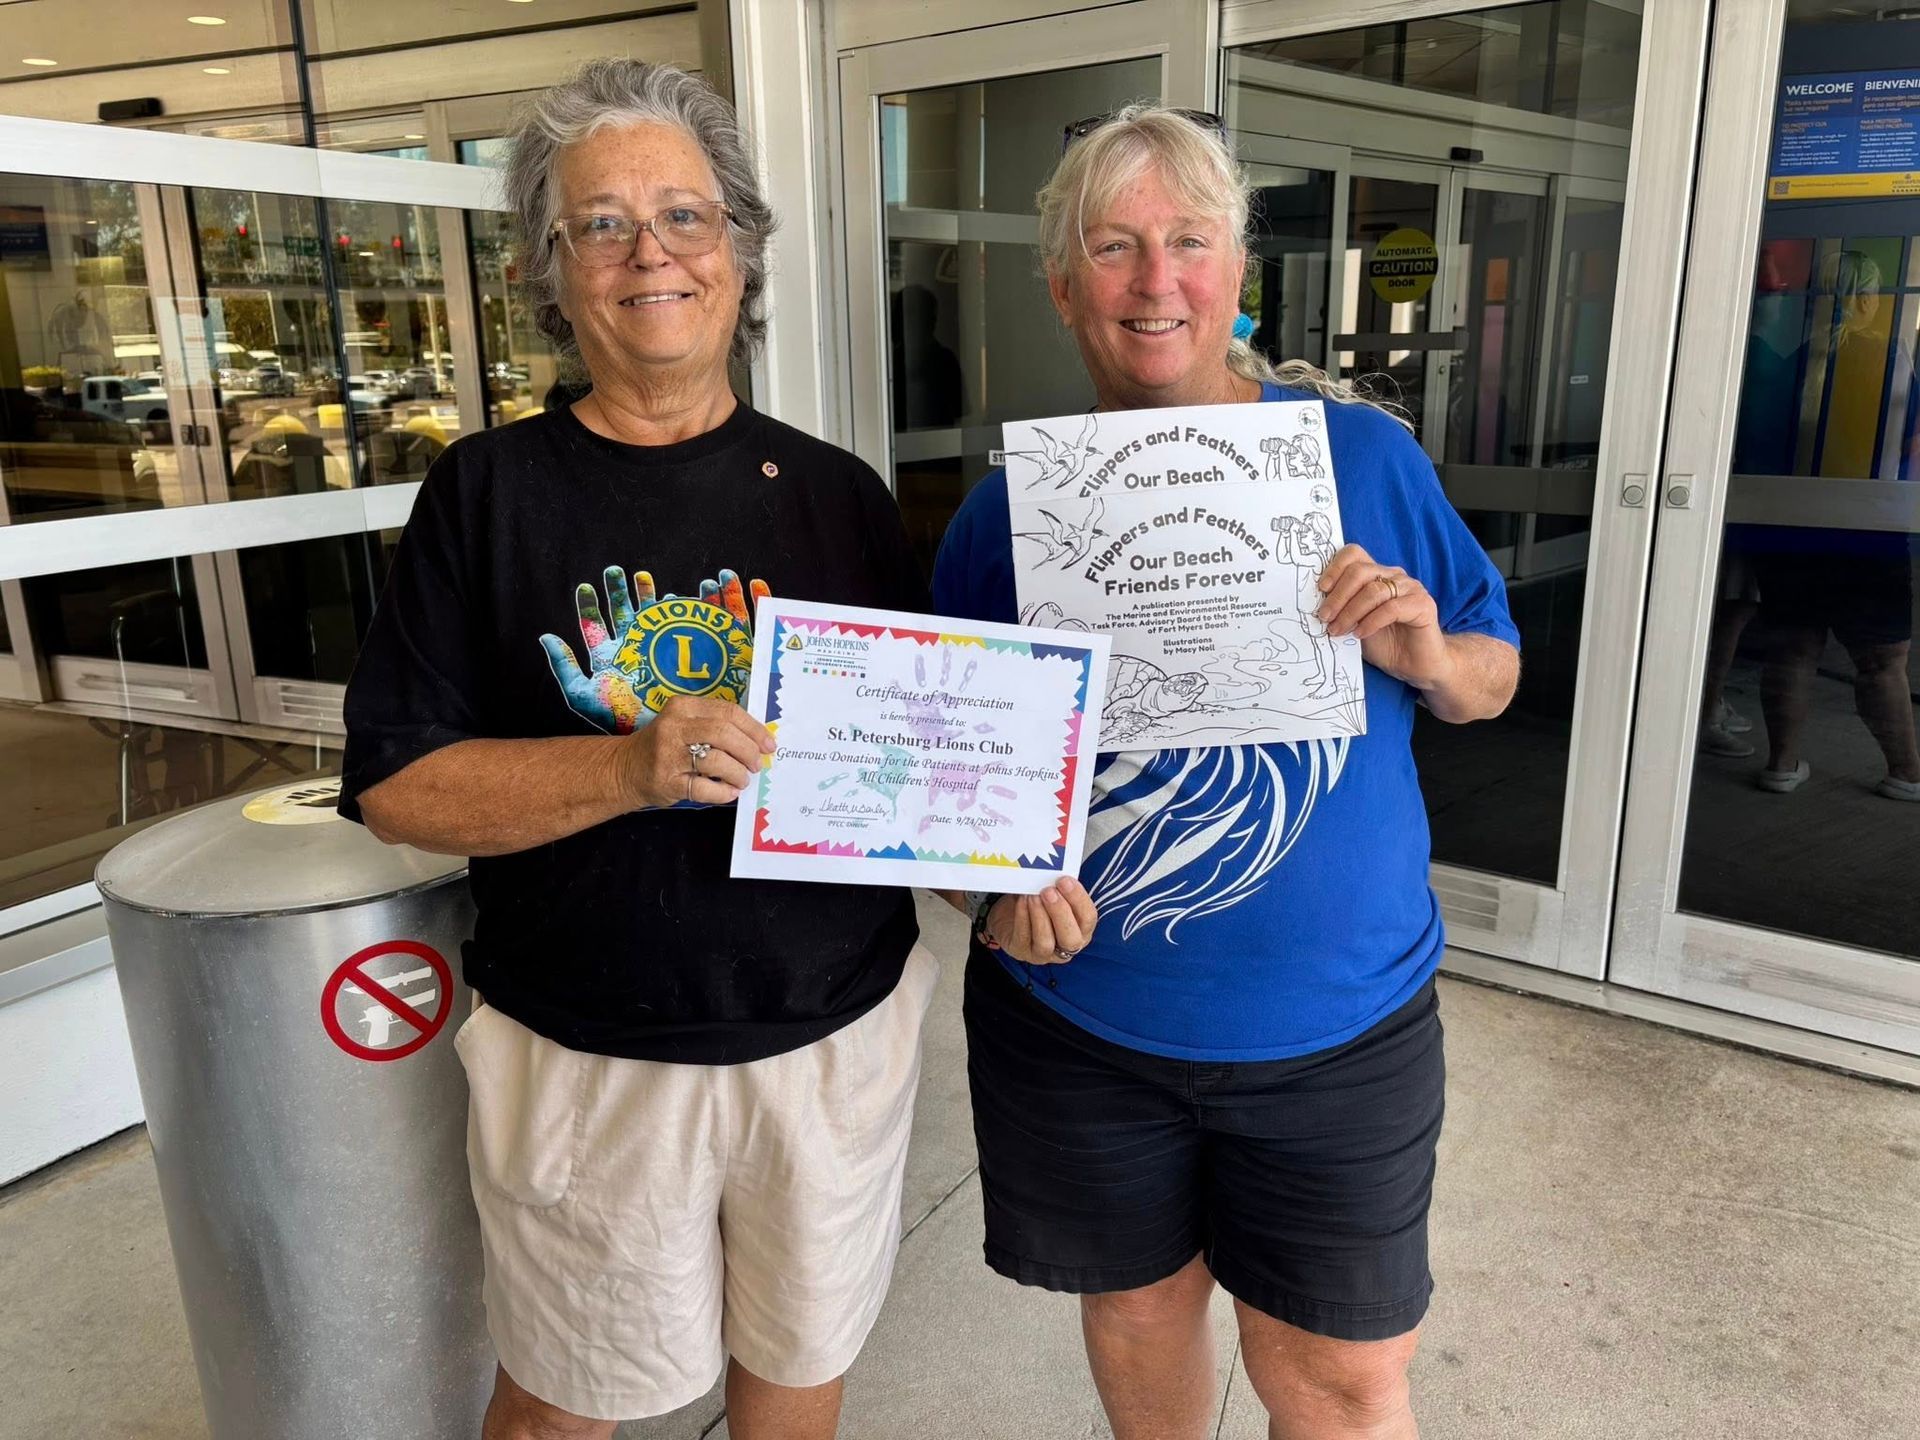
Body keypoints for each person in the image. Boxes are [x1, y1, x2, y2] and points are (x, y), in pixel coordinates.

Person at [337, 59, 936, 1440]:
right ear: (552, 273)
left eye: (683, 216)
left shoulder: (840, 497)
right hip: (590, 1057)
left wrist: (1010, 873)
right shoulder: (484, 494)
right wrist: (626, 769)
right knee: (563, 1409)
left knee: (797, 1378)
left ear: (740, 249)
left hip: (832, 1036)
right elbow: (399, 786)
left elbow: (919, 763)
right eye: (601, 224)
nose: (649, 253)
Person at [932, 105, 1521, 1440]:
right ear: (1062, 285)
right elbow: (951, 781)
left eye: (1190, 241)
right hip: (1081, 1029)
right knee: (1140, 1321)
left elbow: (1492, 677)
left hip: (1340, 1028)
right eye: (1115, 246)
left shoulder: (1361, 458)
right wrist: (993, 890)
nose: (1157, 280)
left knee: (1341, 1377)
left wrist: (1429, 652)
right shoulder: (1007, 514)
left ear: (1238, 271)